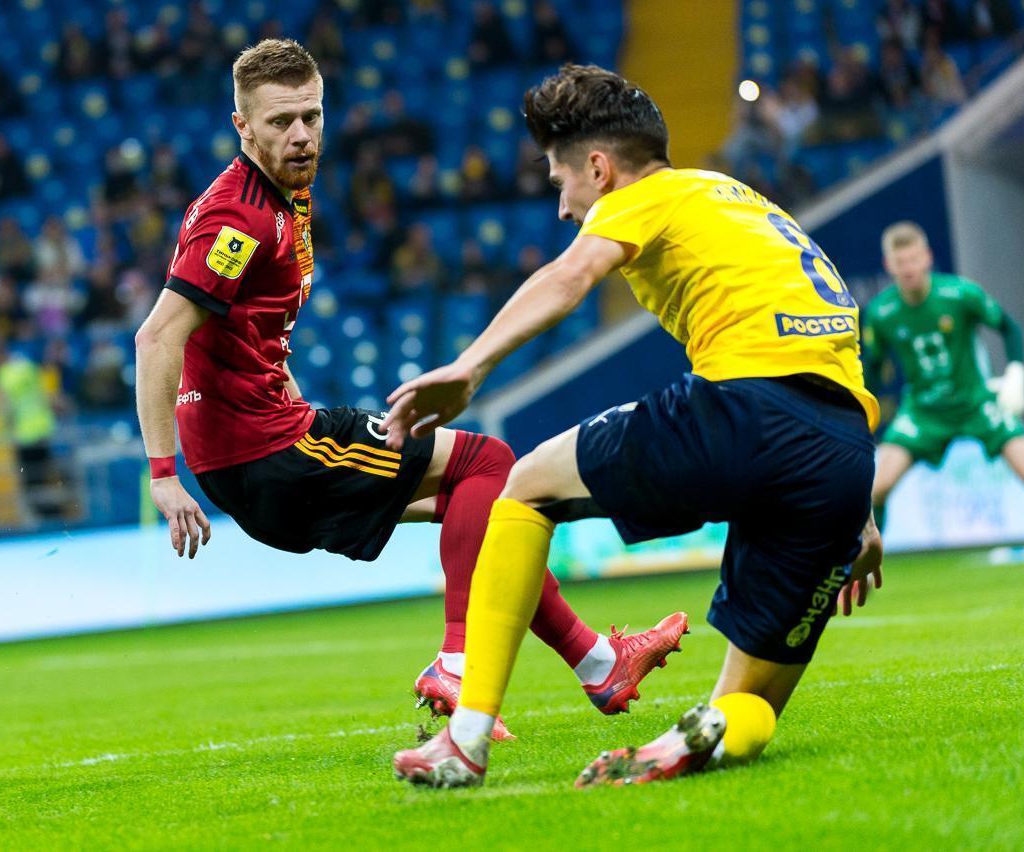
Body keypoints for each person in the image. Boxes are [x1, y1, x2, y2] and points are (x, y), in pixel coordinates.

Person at [134, 41, 686, 741]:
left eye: (311, 116)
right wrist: (163, 476)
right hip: (265, 451)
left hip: (258, 446)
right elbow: (157, 337)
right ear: (242, 127)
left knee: (491, 508)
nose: (300, 135)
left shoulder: (280, 197)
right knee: (487, 461)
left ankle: (600, 663)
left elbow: (246, 334)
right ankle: (459, 662)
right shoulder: (237, 219)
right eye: (279, 122)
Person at [387, 64, 885, 788]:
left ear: (598, 168)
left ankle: (464, 742)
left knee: (524, 486)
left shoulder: (643, 195)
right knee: (749, 701)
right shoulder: (743, 202)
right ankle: (701, 735)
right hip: (840, 453)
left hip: (747, 408)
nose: (565, 209)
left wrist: (470, 367)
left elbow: (567, 277)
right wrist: (858, 513)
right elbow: (830, 352)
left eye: (561, 181)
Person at [865, 222, 1024, 539]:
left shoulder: (960, 294)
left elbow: (1009, 327)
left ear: (927, 257)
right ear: (888, 265)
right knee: (878, 488)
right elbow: (874, 367)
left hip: (975, 402)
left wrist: (1016, 374)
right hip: (924, 411)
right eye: (900, 262)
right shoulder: (881, 313)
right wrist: (865, 416)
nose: (908, 268)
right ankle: (867, 562)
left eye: (913, 259)